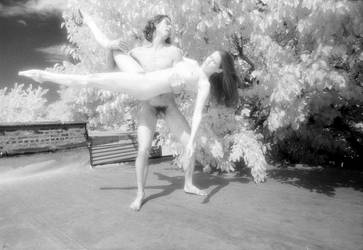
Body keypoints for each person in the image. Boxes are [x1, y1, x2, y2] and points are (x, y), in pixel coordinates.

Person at [19, 17, 240, 211]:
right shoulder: (183, 60)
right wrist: (112, 46)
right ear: (154, 27)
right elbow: (116, 61)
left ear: (219, 70)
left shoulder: (199, 78)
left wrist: (191, 140)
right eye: (210, 57)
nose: (209, 60)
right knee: (97, 81)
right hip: (144, 92)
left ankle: (188, 183)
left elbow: (198, 113)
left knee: (190, 145)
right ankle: (140, 193)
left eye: (214, 62)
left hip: (168, 104)